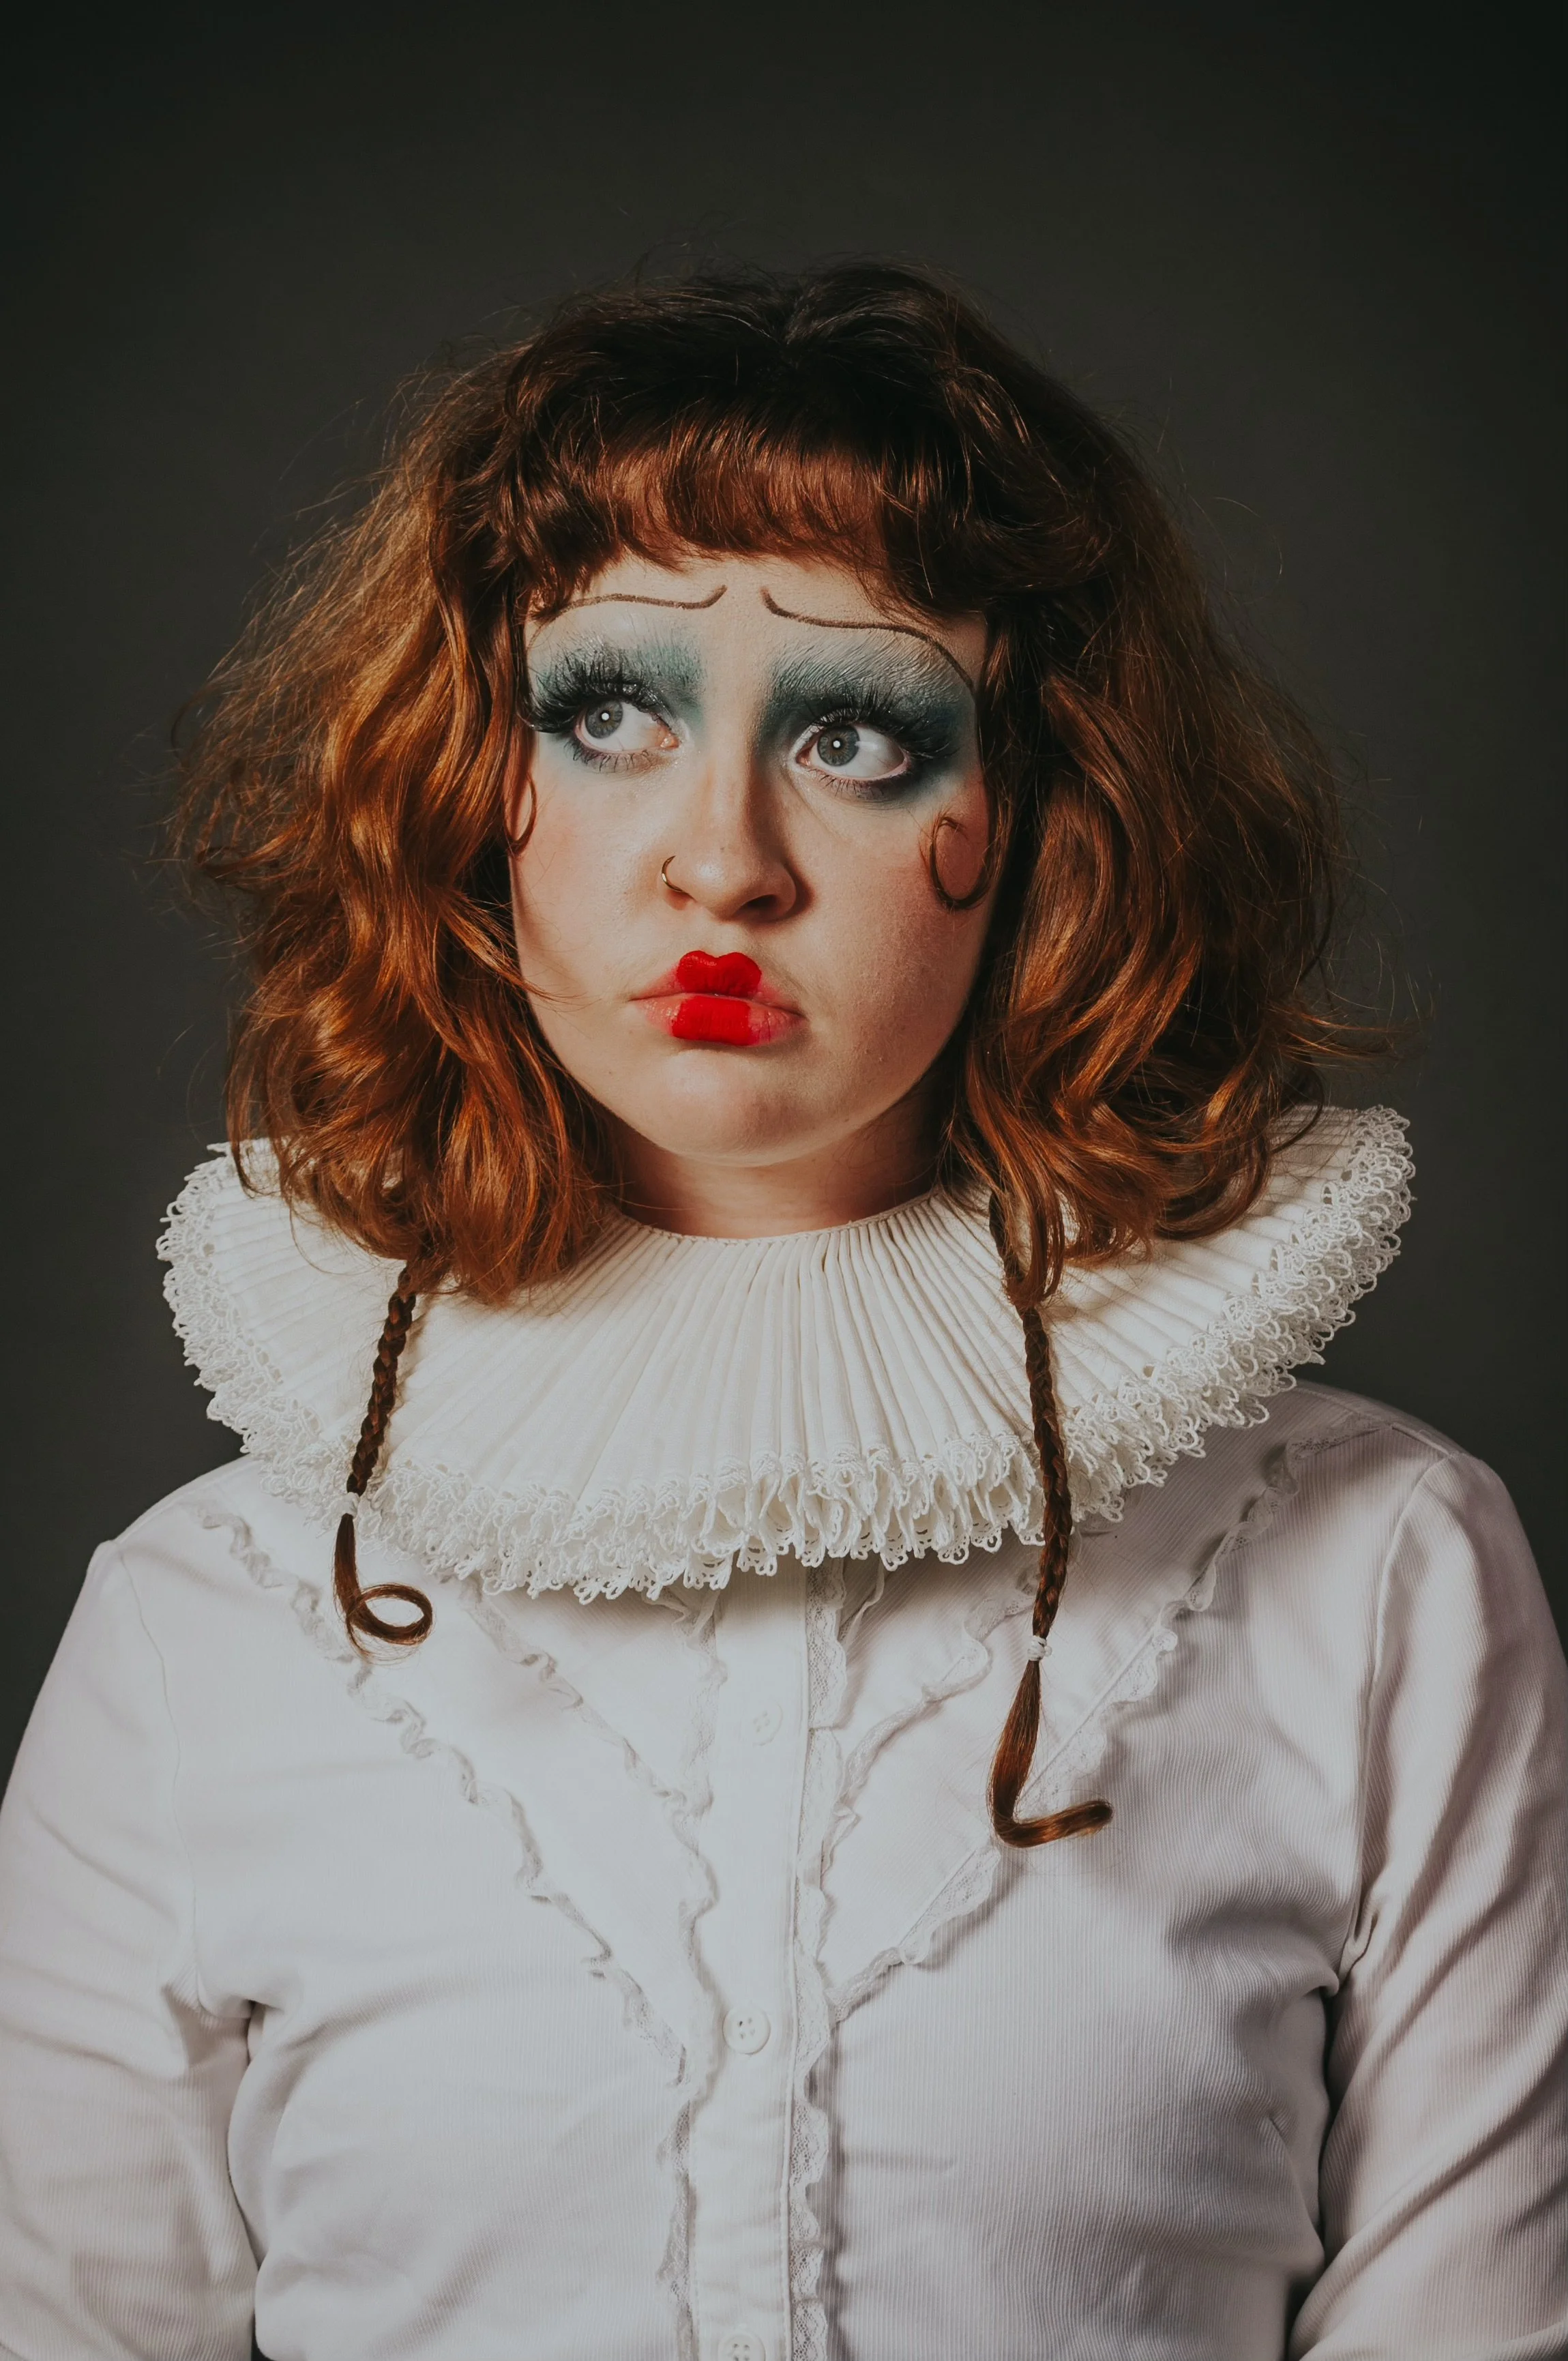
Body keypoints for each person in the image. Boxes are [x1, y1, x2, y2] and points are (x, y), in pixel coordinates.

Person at [0, 265, 1562, 2361]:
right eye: (612, 713)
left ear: (1037, 822)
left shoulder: (1378, 1578)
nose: (718, 860)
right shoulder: (209, 1620)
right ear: (480, 791)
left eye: (856, 732)